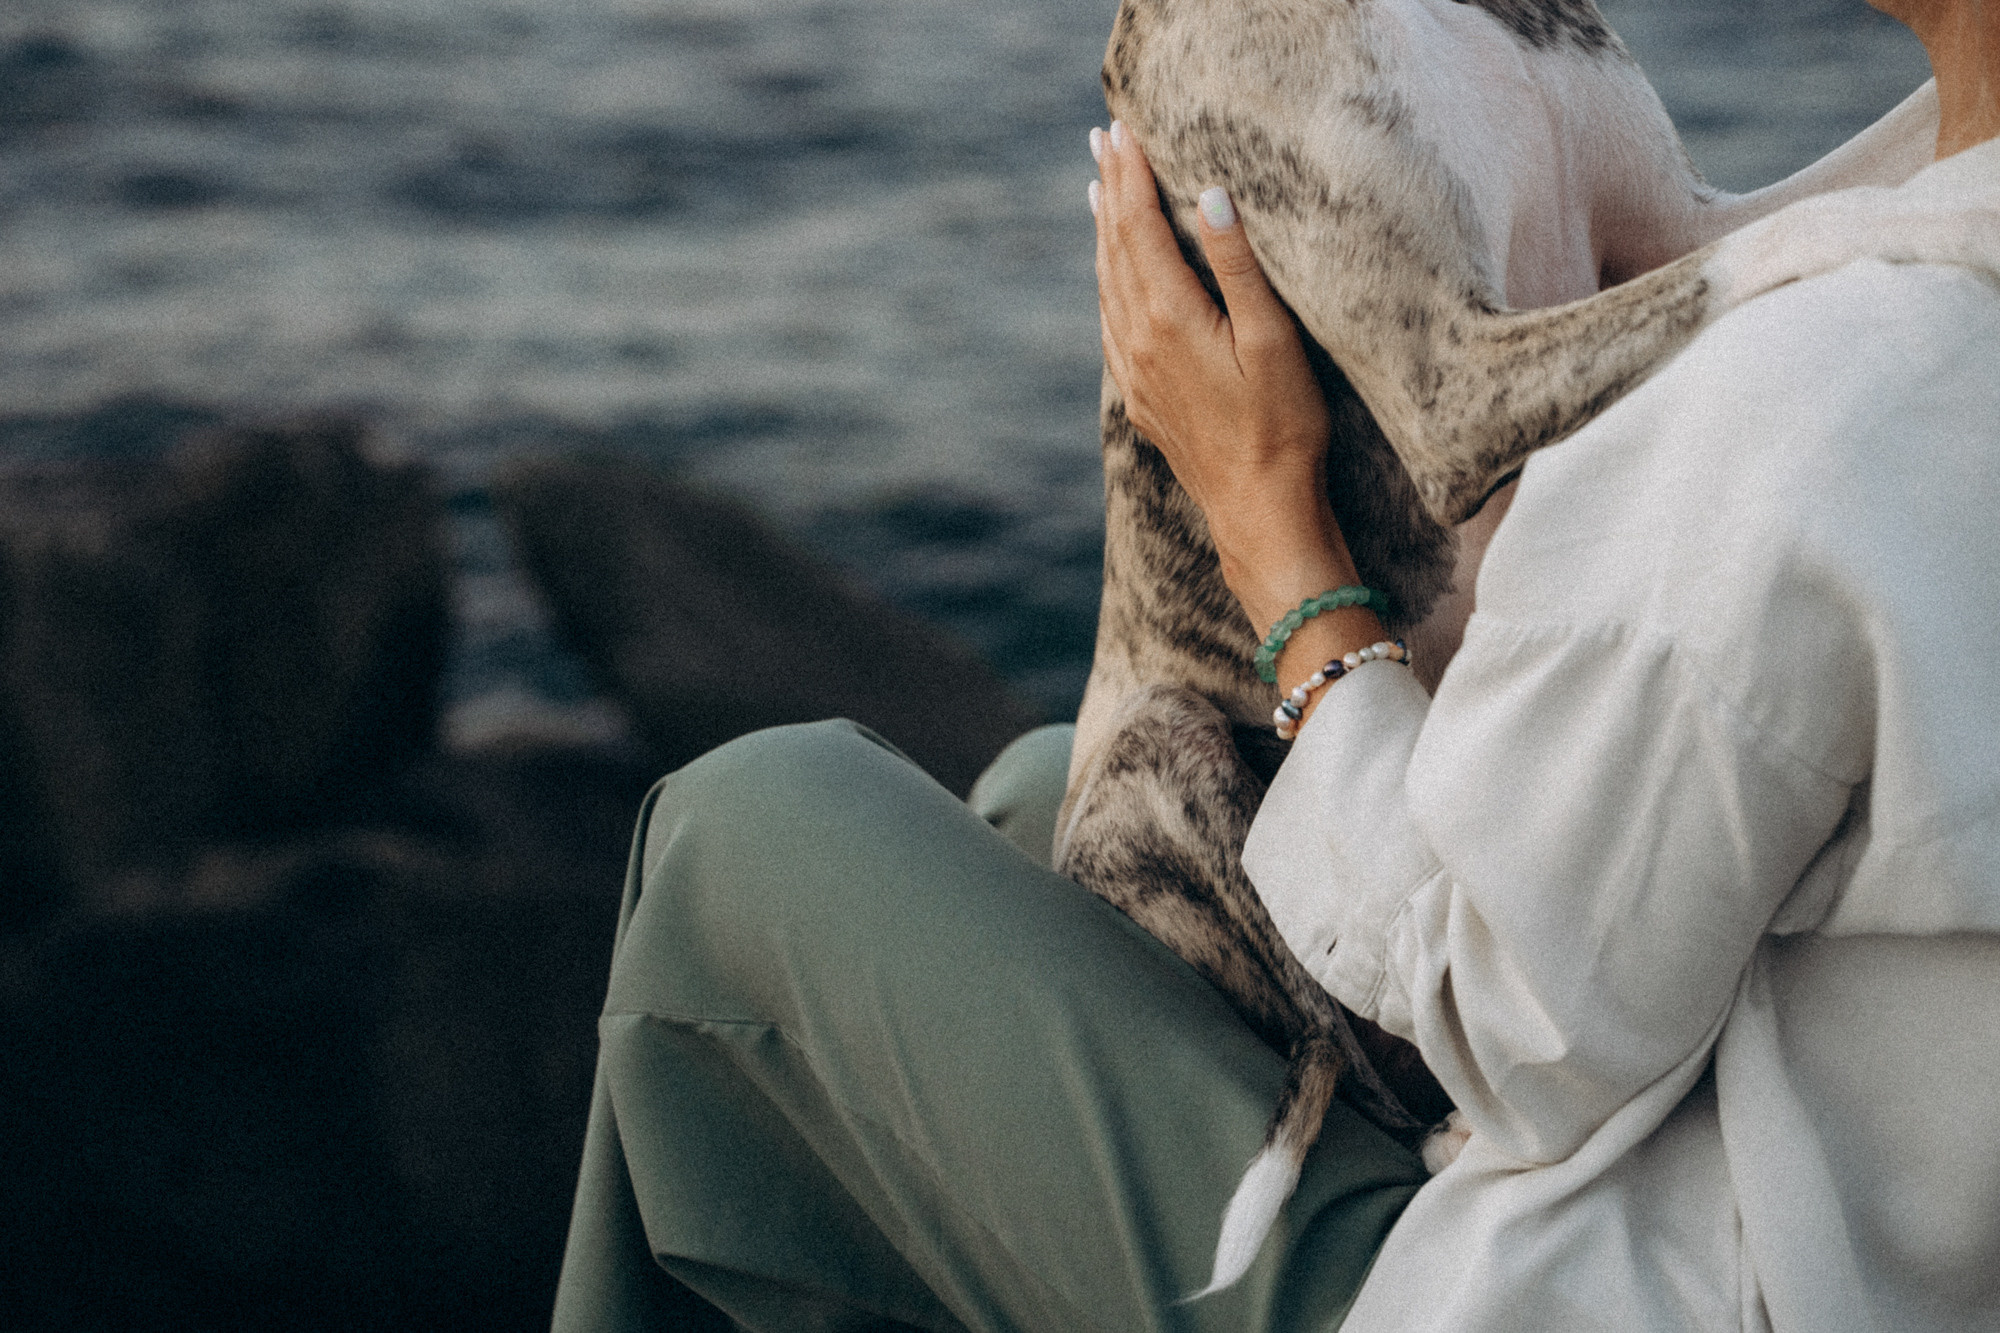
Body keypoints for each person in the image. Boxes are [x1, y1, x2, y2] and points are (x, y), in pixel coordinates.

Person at [552, 2, 1999, 1328]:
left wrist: (1270, 534)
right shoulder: (1915, 281)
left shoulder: (1823, 389)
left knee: (732, 839)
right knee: (1026, 791)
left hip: (1620, 1265)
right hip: (1827, 1149)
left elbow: (1518, 1028)